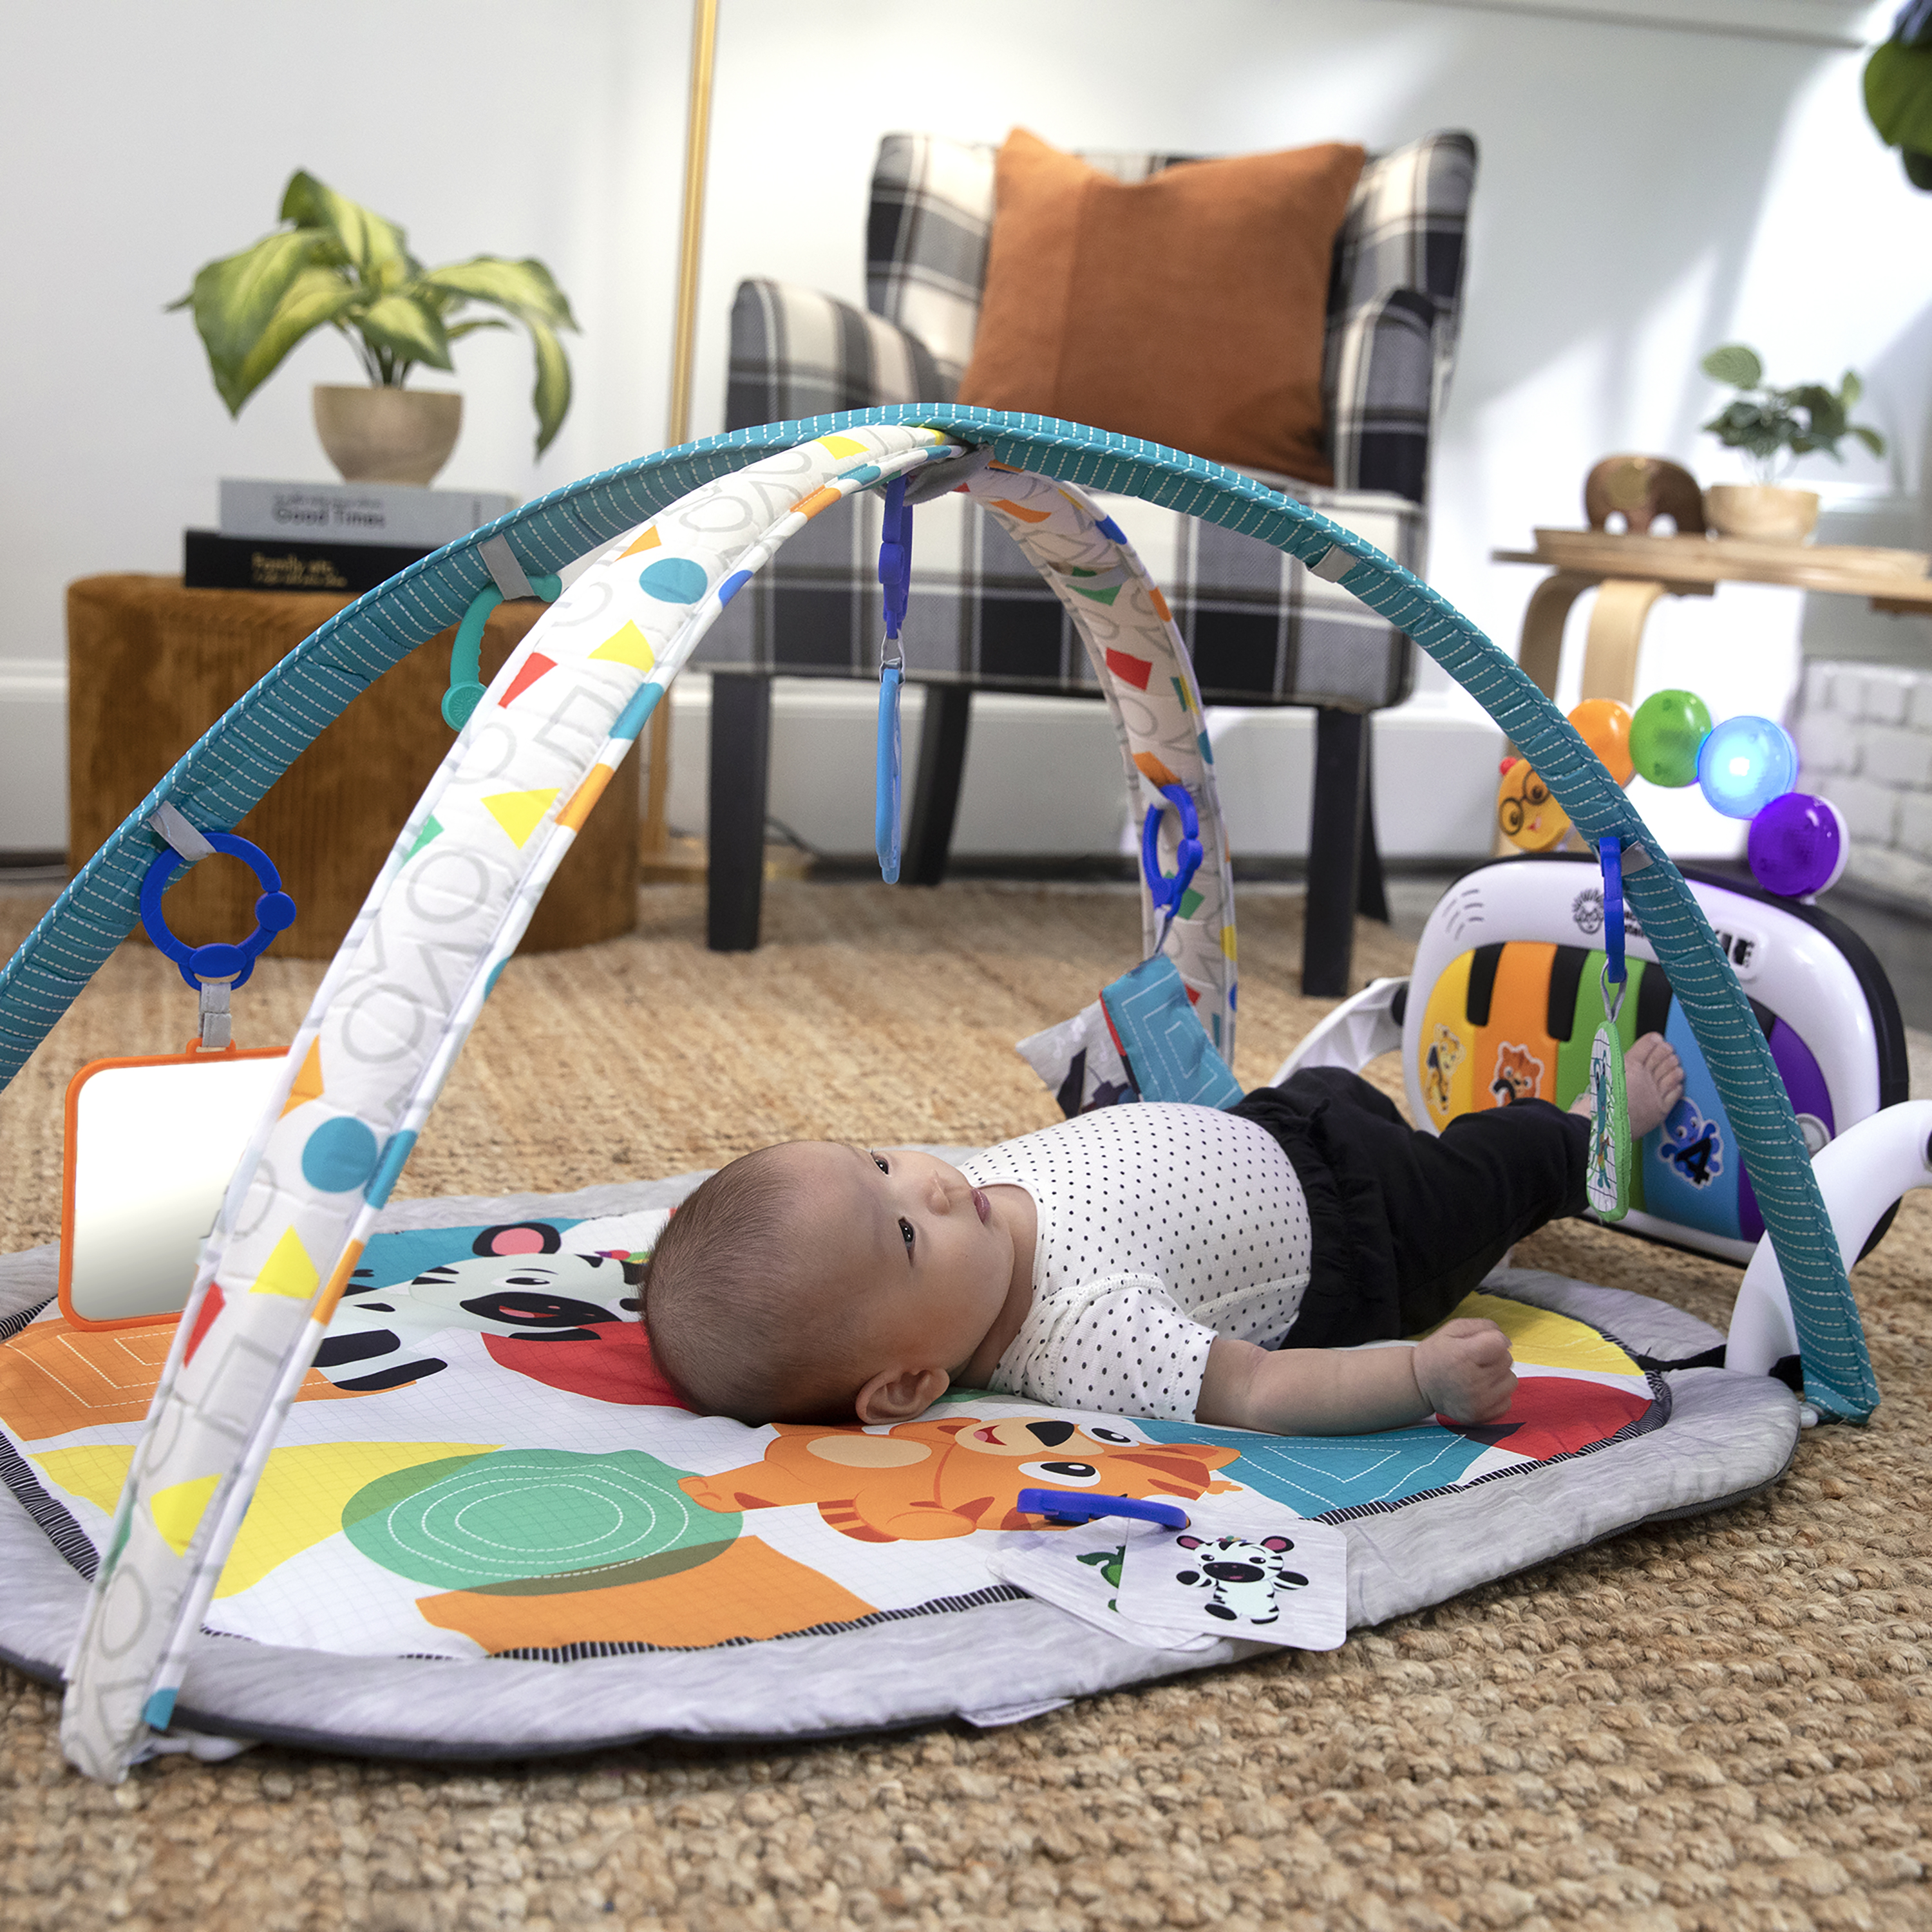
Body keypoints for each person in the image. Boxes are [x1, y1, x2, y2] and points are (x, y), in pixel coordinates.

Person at [641, 1037, 1685, 1436]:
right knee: (1487, 1171)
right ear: (912, 1383)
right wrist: (1417, 1379)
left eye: (878, 1162)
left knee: (1337, 1088)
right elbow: (1260, 1392)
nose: (930, 1186)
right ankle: (1593, 1147)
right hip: (1369, 1242)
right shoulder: (1081, 1340)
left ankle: (1456, 1127)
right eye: (906, 1236)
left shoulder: (963, 1207)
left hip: (1279, 1129)